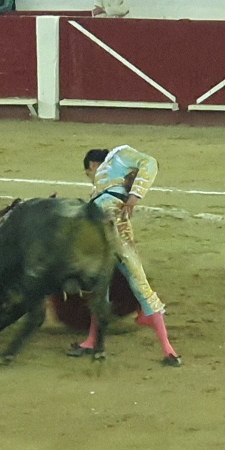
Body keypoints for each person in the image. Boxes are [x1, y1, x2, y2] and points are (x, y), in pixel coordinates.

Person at [72, 146, 181, 367]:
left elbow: (149, 161)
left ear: (92, 165)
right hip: (99, 230)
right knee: (101, 285)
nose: (91, 178)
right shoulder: (99, 190)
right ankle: (92, 340)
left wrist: (134, 196)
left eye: (88, 173)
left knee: (136, 279)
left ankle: (168, 349)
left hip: (114, 227)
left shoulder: (118, 156)